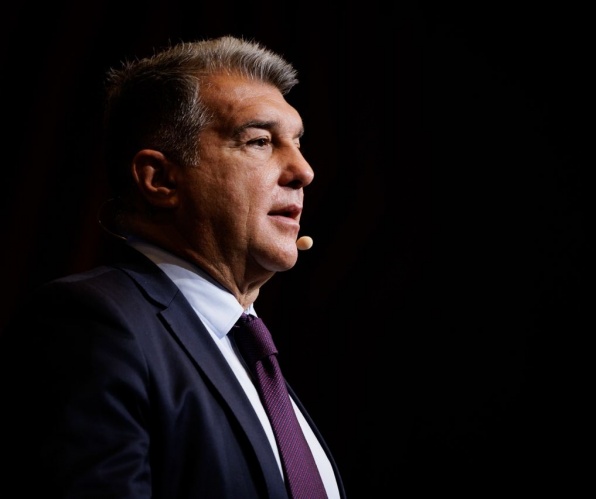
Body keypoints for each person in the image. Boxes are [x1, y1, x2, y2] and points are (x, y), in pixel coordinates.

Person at [0, 35, 345, 498]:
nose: (304, 171)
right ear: (160, 179)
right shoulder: (93, 324)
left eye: (298, 143)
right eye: (260, 141)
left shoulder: (253, 355)